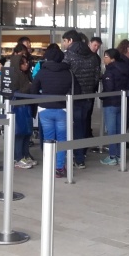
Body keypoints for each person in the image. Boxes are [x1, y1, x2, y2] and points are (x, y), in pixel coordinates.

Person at [31, 47, 79, 178]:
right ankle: (59, 167)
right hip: (63, 109)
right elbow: (77, 91)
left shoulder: (42, 72)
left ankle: (49, 166)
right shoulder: (68, 72)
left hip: (44, 109)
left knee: (48, 139)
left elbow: (33, 90)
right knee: (62, 139)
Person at [61, 30, 100, 168]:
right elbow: (96, 77)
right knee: (82, 125)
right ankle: (80, 156)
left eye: (64, 41)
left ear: (70, 41)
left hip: (72, 97)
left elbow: (64, 77)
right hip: (87, 96)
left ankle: (72, 155)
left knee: (70, 127)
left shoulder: (68, 56)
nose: (63, 44)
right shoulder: (93, 56)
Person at [0, 50, 34, 168]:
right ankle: (18, 157)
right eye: (23, 63)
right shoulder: (14, 76)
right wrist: (29, 86)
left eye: (26, 62)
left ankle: (25, 155)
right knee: (20, 133)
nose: (26, 64)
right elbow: (15, 93)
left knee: (27, 133)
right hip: (18, 108)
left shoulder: (24, 75)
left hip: (25, 107)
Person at [99, 49, 129, 166]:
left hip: (111, 103)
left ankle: (113, 156)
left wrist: (101, 96)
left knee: (112, 131)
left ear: (112, 58)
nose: (104, 59)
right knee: (120, 130)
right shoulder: (124, 69)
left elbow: (109, 89)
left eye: (106, 57)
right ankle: (120, 155)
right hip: (122, 102)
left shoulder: (110, 71)